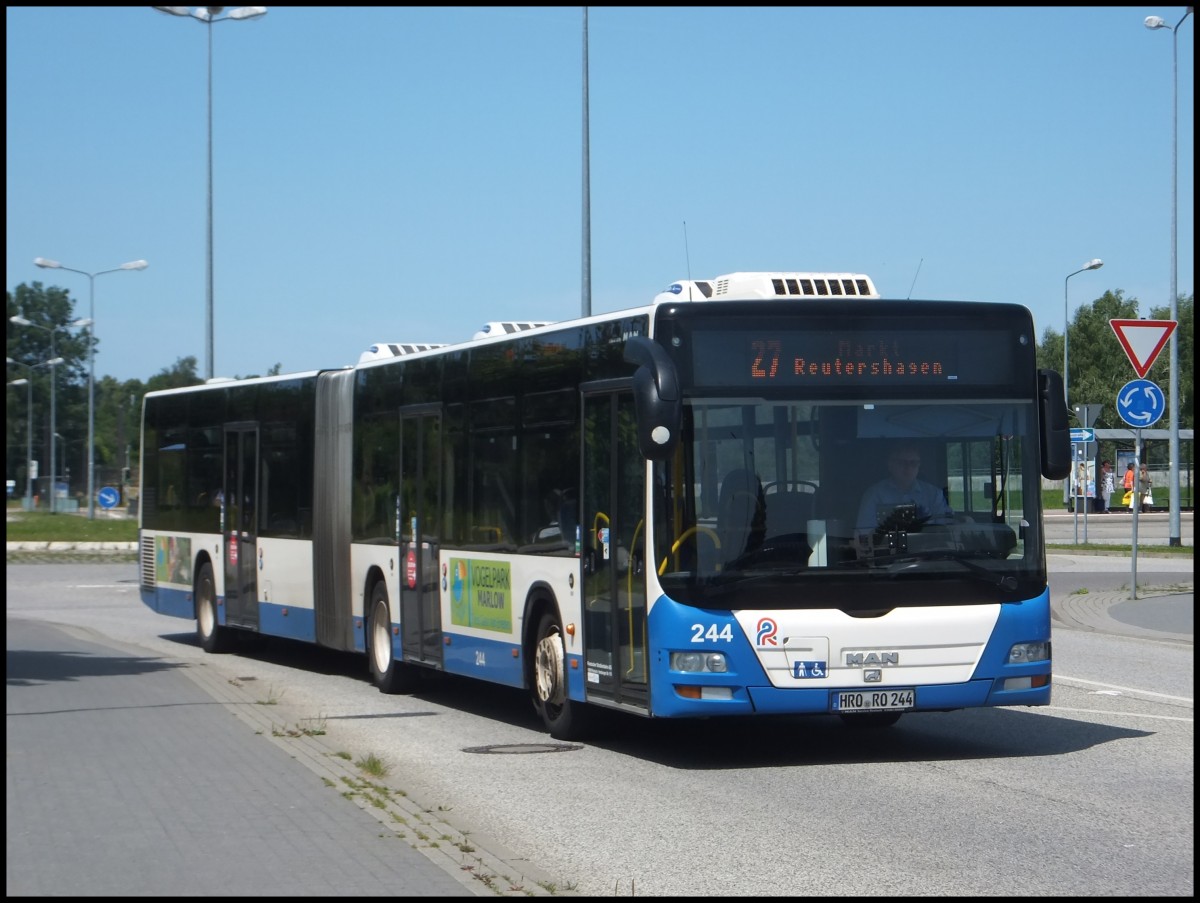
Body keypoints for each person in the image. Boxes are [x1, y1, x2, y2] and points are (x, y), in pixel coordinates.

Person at [856, 443, 954, 538]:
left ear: (919, 466)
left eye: (913, 463)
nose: (908, 467)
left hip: (928, 552)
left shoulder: (934, 494)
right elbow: (864, 534)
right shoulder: (874, 495)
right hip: (888, 553)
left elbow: (944, 531)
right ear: (890, 465)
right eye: (902, 462)